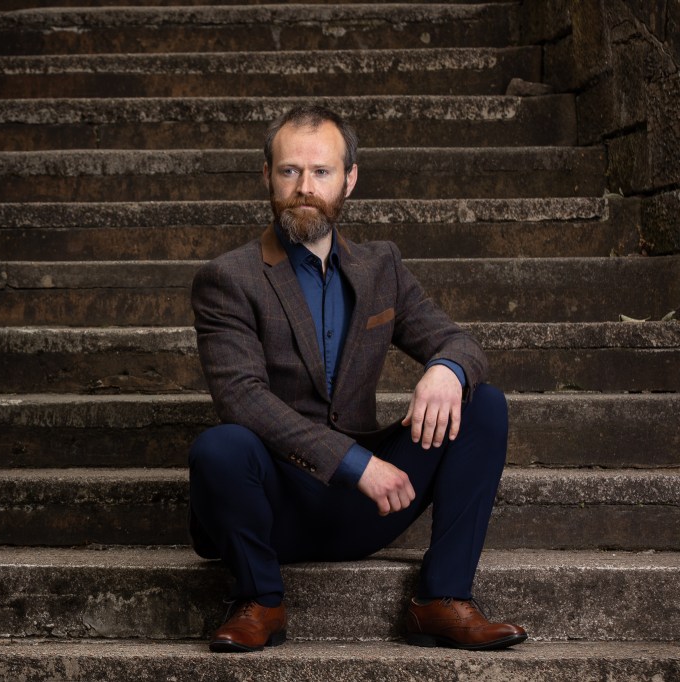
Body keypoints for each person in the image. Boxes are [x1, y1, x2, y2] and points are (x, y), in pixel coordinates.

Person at [188, 104, 527, 653]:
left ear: (349, 179)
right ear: (267, 176)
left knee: (483, 403)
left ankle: (441, 599)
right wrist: (355, 463)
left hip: (367, 508)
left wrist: (445, 368)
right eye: (290, 170)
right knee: (219, 447)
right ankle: (259, 600)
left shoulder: (380, 267)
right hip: (277, 506)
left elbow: (458, 341)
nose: (304, 187)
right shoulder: (229, 278)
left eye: (321, 171)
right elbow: (241, 398)